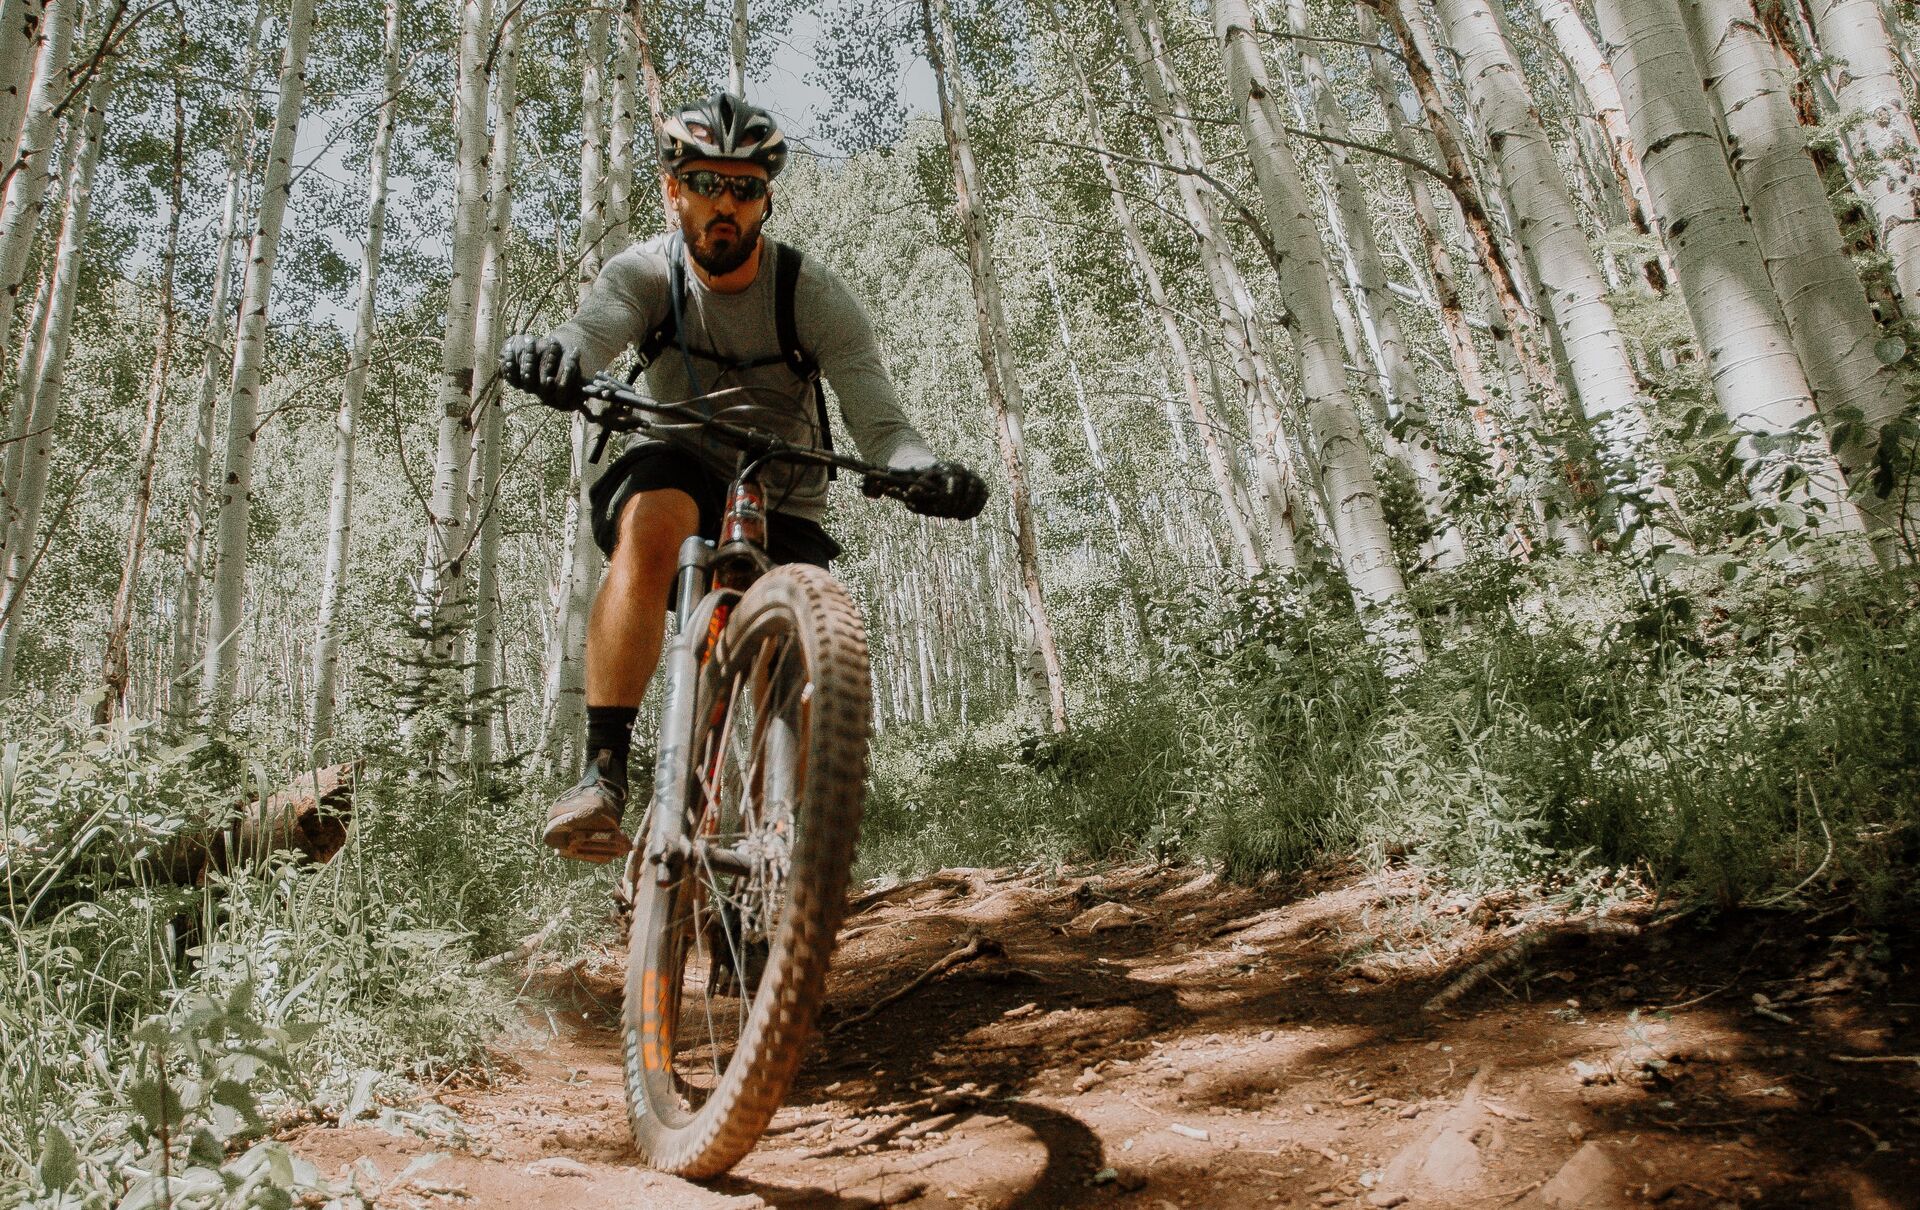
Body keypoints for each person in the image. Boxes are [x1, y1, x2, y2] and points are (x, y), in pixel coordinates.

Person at [501, 91, 988, 863]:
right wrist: (559, 357)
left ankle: (782, 860)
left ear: (765, 200)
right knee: (655, 514)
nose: (724, 204)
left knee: (795, 655)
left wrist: (925, 472)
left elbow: (884, 426)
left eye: (745, 188)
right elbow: (590, 331)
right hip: (680, 466)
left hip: (784, 491)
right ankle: (603, 771)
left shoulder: (811, 293)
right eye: (705, 183)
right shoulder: (645, 274)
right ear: (673, 191)